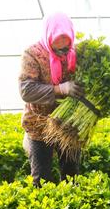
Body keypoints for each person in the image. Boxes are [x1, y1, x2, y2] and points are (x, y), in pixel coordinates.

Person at [18, 12, 84, 187]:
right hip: (38, 125)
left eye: (65, 48)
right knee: (42, 178)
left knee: (71, 176)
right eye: (57, 49)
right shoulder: (32, 55)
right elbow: (26, 90)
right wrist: (60, 89)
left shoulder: (75, 54)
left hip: (67, 124)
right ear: (48, 39)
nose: (62, 53)